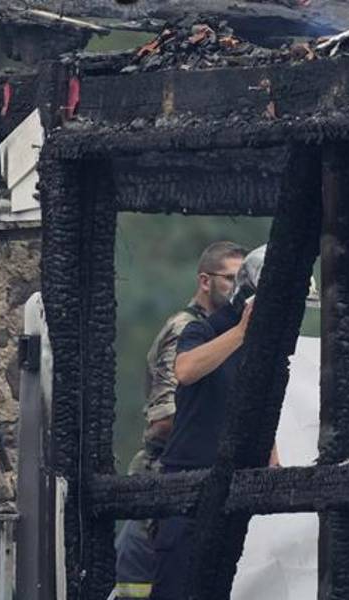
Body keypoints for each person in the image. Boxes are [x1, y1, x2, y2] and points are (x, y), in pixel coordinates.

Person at [113, 241, 246, 599]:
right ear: (205, 281)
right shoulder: (187, 329)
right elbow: (165, 419)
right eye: (230, 279)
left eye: (242, 281)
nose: (238, 289)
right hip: (167, 482)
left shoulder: (227, 332)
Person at [151, 244, 276, 600]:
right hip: (186, 480)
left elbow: (261, 404)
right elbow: (186, 370)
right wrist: (240, 333)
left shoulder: (259, 345)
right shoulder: (199, 330)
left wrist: (272, 460)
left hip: (233, 485)